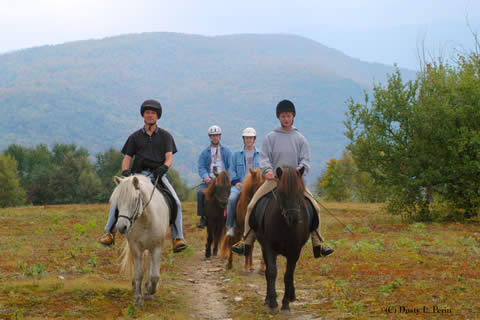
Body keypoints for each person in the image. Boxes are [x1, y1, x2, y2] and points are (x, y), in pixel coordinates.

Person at [232, 100, 334, 258]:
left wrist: (298, 174)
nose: (286, 118)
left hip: (294, 183)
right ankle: (246, 241)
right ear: (278, 117)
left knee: (316, 207)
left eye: (288, 115)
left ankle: (318, 243)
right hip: (274, 181)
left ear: (293, 117)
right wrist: (267, 171)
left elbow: (305, 161)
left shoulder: (300, 139)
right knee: (252, 206)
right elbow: (264, 158)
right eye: (283, 116)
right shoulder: (270, 138)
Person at [98, 99, 187, 253]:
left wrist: (164, 168)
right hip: (137, 177)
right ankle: (109, 232)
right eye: (147, 113)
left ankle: (177, 237)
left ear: (157, 116)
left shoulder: (166, 136)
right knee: (118, 201)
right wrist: (126, 173)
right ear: (143, 115)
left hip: (157, 175)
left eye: (153, 113)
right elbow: (127, 159)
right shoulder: (134, 137)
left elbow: (169, 157)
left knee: (176, 202)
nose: (150, 115)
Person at [225, 127, 260, 236]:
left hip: (256, 186)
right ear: (243, 139)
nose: (249, 140)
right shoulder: (235, 154)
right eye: (246, 138)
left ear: (254, 139)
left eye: (251, 138)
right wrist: (236, 182)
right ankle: (230, 226)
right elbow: (231, 170)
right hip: (239, 185)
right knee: (231, 199)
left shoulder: (261, 154)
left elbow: (264, 170)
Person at [196, 125, 232, 228]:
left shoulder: (227, 151)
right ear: (210, 137)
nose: (215, 137)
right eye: (213, 136)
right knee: (200, 193)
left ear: (220, 136)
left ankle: (231, 217)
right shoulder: (204, 152)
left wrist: (226, 177)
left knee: (232, 195)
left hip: (223, 180)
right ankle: (203, 217)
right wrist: (205, 177)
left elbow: (231, 165)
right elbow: (201, 167)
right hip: (210, 180)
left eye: (217, 135)